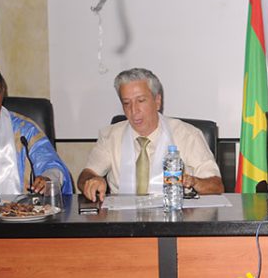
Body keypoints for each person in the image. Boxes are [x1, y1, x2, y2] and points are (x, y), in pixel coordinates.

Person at [78, 68, 223, 201]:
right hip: (123, 218)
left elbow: (216, 186)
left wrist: (194, 182)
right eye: (127, 103)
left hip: (173, 217)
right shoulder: (110, 136)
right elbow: (86, 175)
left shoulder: (187, 135)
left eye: (141, 101)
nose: (134, 110)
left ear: (157, 101)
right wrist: (92, 181)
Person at [0, 64, 73, 195]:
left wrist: (48, 179)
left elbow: (51, 165)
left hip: (15, 207)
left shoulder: (24, 130)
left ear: (3, 93)